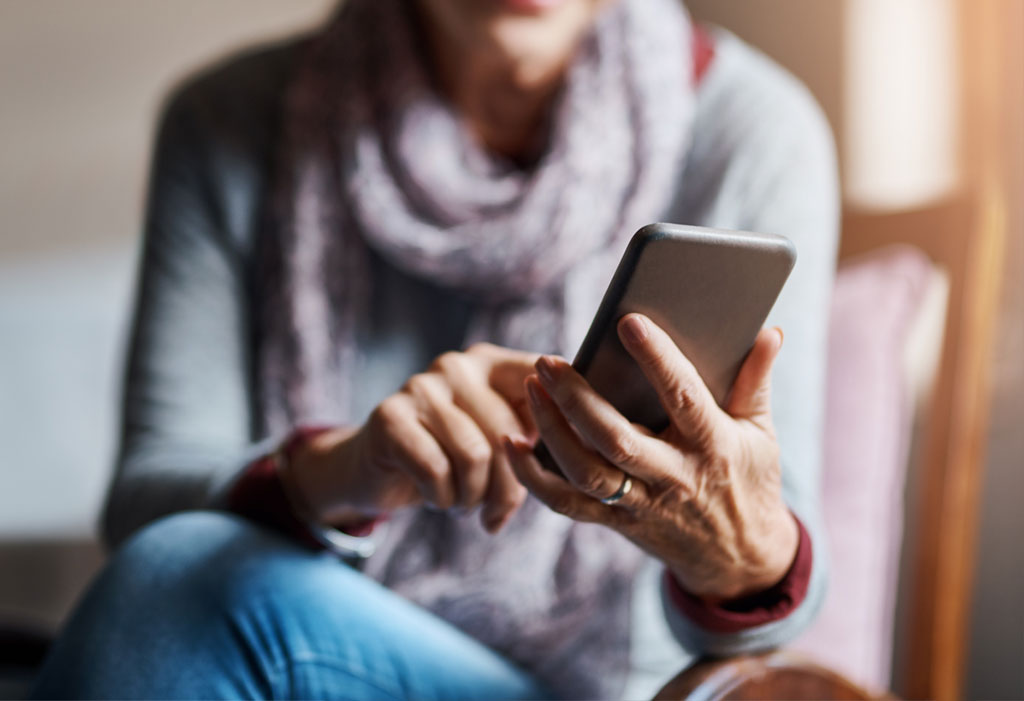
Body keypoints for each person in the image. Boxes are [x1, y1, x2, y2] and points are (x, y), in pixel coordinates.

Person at [33, 0, 838, 698]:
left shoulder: (751, 129)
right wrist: (345, 470)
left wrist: (729, 539)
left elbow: (781, 596)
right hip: (314, 649)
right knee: (175, 575)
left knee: (179, 589)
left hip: (618, 687)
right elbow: (145, 509)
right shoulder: (229, 123)